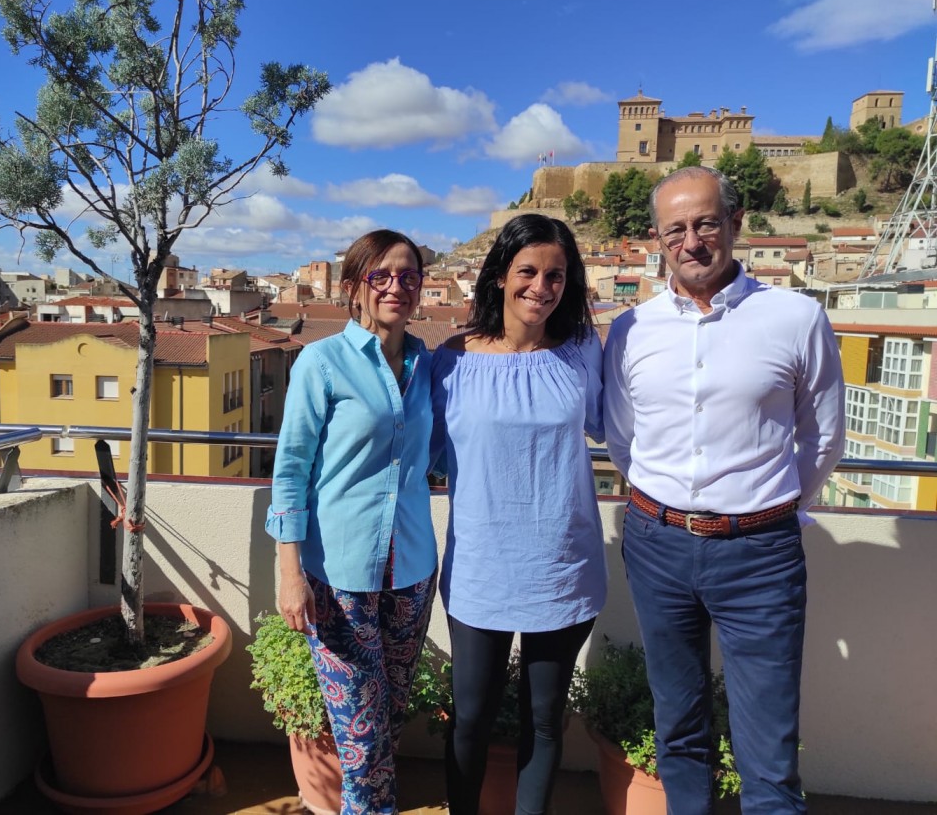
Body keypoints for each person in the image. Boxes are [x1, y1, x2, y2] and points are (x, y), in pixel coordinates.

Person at [603, 166, 845, 814]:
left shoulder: (796, 318)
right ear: (658, 239)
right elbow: (623, 440)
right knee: (678, 729)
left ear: (736, 224)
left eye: (706, 223)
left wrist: (769, 509)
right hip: (657, 547)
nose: (692, 241)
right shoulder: (631, 330)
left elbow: (821, 441)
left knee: (768, 751)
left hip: (761, 554)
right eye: (675, 228)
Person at [431, 214, 605, 815]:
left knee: (544, 720)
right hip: (482, 565)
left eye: (555, 274)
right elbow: (415, 449)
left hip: (562, 565)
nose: (541, 286)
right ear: (501, 275)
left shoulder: (583, 348)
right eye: (528, 271)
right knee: (471, 719)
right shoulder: (450, 360)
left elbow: (624, 427)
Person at [266, 229, 437, 814]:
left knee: (387, 719)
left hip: (412, 569)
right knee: (359, 737)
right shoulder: (323, 362)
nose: (397, 286)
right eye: (381, 275)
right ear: (354, 288)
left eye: (409, 276)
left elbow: (437, 455)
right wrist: (289, 571)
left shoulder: (425, 364)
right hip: (339, 576)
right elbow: (290, 469)